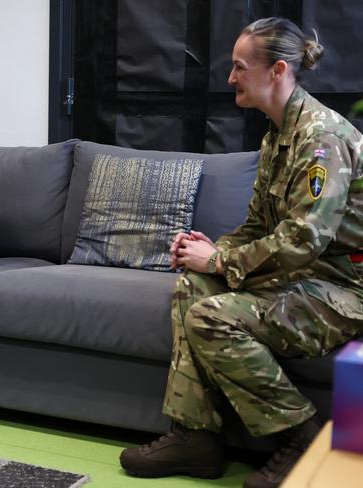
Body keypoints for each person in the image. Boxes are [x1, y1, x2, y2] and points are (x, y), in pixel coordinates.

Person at [120, 17, 363, 488]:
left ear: (277, 71)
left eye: (238, 67)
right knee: (193, 284)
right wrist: (206, 250)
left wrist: (221, 261)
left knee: (211, 316)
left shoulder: (322, 140)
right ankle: (195, 437)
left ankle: (300, 436)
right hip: (303, 279)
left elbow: (303, 239)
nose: (229, 78)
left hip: (343, 290)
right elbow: (256, 226)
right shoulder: (276, 136)